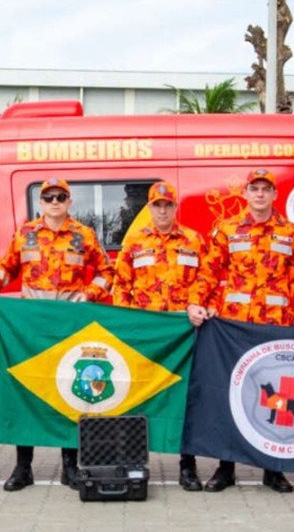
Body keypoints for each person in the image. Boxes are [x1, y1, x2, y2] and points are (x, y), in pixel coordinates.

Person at [0, 177, 114, 492]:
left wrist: (91, 293)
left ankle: (70, 467)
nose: (54, 202)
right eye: (48, 197)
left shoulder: (85, 236)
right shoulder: (25, 234)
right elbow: (5, 268)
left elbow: (109, 273)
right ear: (40, 203)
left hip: (70, 326)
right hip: (31, 329)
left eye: (60, 197)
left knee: (71, 391)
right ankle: (23, 468)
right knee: (28, 393)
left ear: (69, 202)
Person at [187, 168, 294, 493]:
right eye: (254, 188)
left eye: (265, 189)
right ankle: (224, 468)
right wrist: (195, 303)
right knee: (233, 393)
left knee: (278, 399)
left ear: (274, 195)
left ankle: (273, 469)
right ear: (246, 194)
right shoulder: (226, 229)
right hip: (235, 327)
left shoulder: (290, 232)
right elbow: (208, 271)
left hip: (276, 327)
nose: (259, 194)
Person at [111, 181, 209, 492]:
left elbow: (207, 277)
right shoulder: (135, 242)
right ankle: (133, 464)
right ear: (149, 208)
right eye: (157, 205)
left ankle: (187, 466)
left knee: (183, 401)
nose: (162, 210)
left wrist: (196, 301)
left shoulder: (194, 240)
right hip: (145, 335)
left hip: (182, 336)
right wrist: (128, 324)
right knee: (138, 397)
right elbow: (121, 286)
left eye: (168, 205)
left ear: (174, 207)